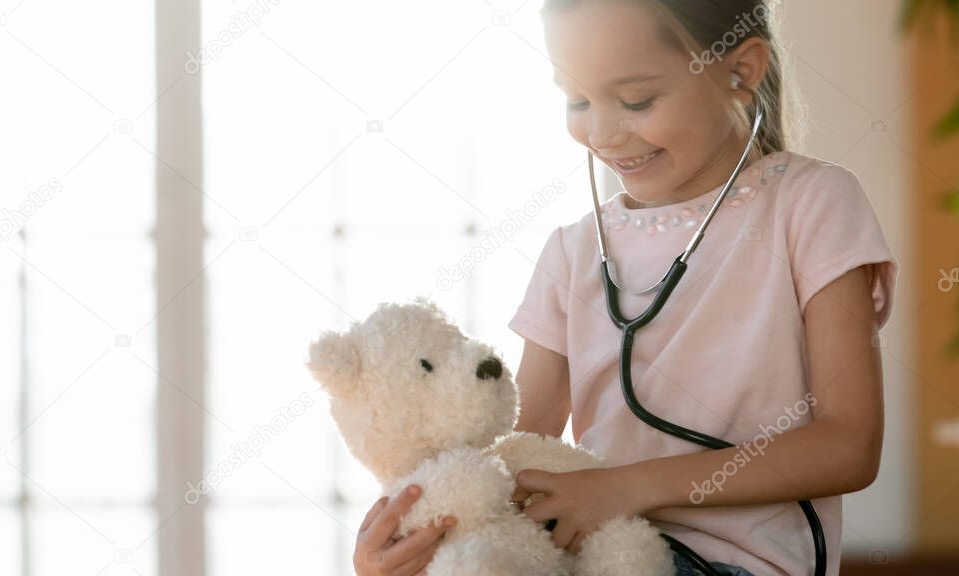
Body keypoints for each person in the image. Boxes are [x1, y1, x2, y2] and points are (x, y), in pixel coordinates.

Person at [353, 1, 898, 574]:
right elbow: (509, 461)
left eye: (637, 100)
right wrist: (406, 547)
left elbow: (849, 446)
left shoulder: (811, 205)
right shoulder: (573, 252)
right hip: (588, 557)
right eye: (578, 100)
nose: (602, 132)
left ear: (742, 71)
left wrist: (620, 489)